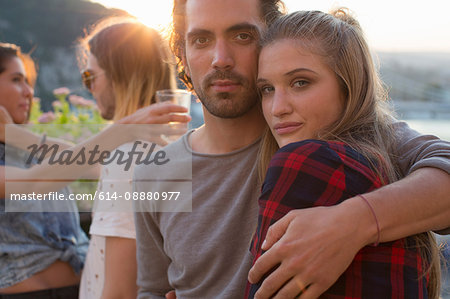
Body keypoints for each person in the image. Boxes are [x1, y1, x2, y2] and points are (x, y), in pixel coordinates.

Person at [133, 0, 450, 298]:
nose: (220, 58)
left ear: (269, 39)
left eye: (242, 36)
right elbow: (153, 289)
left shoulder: (334, 135)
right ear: (182, 54)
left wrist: (352, 222)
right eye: (201, 40)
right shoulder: (152, 173)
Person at [247, 9, 440, 298]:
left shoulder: (304, 163)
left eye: (300, 82)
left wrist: (353, 220)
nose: (277, 108)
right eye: (266, 89)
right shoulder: (386, 167)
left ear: (348, 87)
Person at [75, 17, 191, 299]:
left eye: (90, 76)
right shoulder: (173, 151)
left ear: (120, 77)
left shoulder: (126, 159)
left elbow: (120, 291)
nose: (88, 87)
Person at [0, 42, 88, 298]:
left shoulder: (24, 146)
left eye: (28, 81)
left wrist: (14, 135)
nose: (29, 92)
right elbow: (33, 181)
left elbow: (81, 159)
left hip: (82, 289)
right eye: (17, 80)